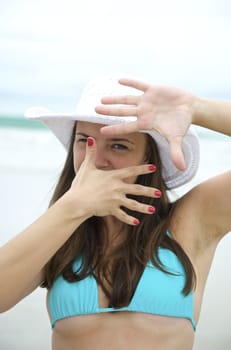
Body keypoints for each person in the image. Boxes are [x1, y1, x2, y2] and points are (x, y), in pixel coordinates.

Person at [0, 73, 230, 350]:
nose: (97, 160)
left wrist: (197, 108)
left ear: (148, 157)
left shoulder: (190, 221)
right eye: (85, 141)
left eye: (119, 145)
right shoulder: (60, 234)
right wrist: (73, 207)